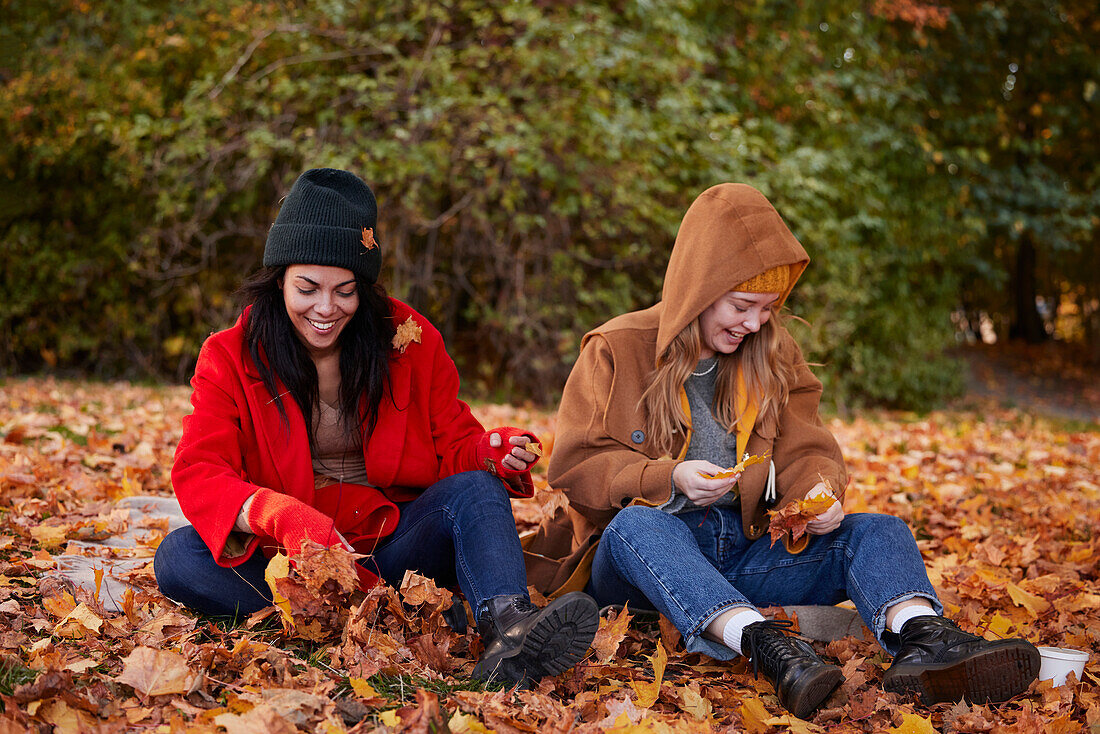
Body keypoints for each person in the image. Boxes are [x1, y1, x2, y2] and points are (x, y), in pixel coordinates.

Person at [522, 184, 1039, 718]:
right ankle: (768, 648)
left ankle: (929, 644)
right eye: (741, 306)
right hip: (643, 566)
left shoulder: (771, 352)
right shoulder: (616, 347)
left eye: (767, 309)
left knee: (880, 530)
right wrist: (669, 479)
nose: (753, 324)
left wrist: (816, 493)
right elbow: (576, 466)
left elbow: (807, 448)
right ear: (698, 291)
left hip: (743, 549)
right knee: (638, 526)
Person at [154, 168, 598, 687]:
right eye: (308, 288)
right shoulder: (230, 355)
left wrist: (487, 452)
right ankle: (372, 618)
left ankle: (512, 633)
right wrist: (285, 517)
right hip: (292, 564)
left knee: (477, 490)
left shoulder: (408, 340)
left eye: (345, 291)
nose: (326, 308)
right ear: (279, 279)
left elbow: (453, 444)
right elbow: (201, 470)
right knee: (178, 557)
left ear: (363, 288)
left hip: (393, 546)